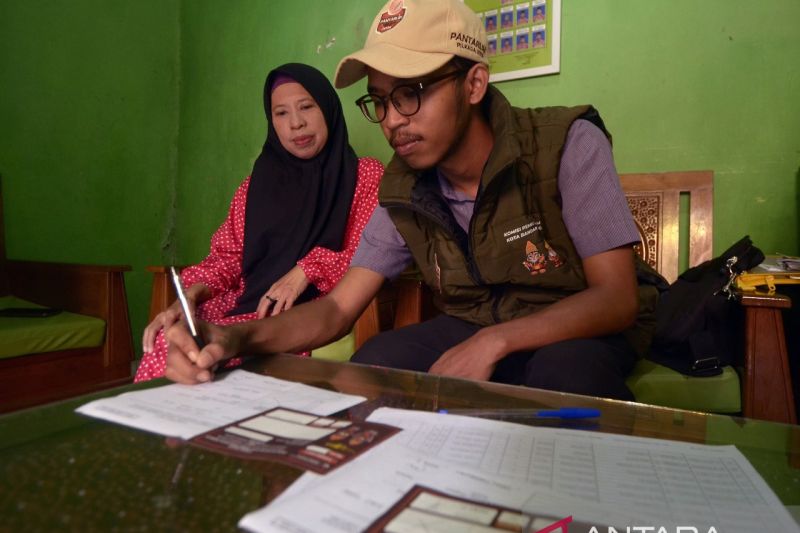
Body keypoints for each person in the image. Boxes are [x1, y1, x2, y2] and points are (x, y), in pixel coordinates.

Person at [163, 0, 662, 402]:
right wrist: (232, 337)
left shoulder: (566, 143)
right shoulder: (403, 187)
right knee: (377, 361)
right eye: (380, 99)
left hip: (573, 327)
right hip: (473, 322)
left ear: (473, 84)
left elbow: (617, 299)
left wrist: (495, 340)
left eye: (412, 92)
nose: (392, 119)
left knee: (566, 375)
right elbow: (338, 308)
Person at [134, 63, 383, 382]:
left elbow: (369, 254)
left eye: (307, 107)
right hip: (246, 303)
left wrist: (305, 270)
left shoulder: (365, 177)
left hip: (308, 311)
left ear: (329, 109)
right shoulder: (253, 189)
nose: (296, 123)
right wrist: (190, 297)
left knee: (231, 360)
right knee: (173, 340)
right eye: (281, 113)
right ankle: (168, 430)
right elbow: (227, 259)